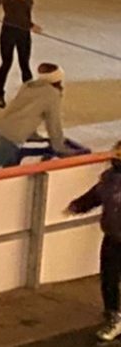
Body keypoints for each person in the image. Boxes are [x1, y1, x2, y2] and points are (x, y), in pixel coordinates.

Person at [64, 139, 121, 342]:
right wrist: (77, 206)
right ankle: (114, 314)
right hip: (113, 237)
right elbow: (96, 196)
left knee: (111, 278)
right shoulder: (110, 179)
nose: (115, 157)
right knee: (108, 278)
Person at [0, 64, 71, 170]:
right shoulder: (53, 95)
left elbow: (25, 111)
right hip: (11, 135)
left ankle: (10, 182)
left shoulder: (28, 85)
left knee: (10, 166)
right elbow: (53, 124)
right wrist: (60, 147)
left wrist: (32, 135)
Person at [0, 0, 41, 108]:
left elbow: (26, 13)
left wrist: (28, 26)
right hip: (9, 31)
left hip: (23, 33)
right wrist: (31, 25)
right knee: (6, 63)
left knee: (24, 64)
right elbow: (12, 13)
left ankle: (29, 95)